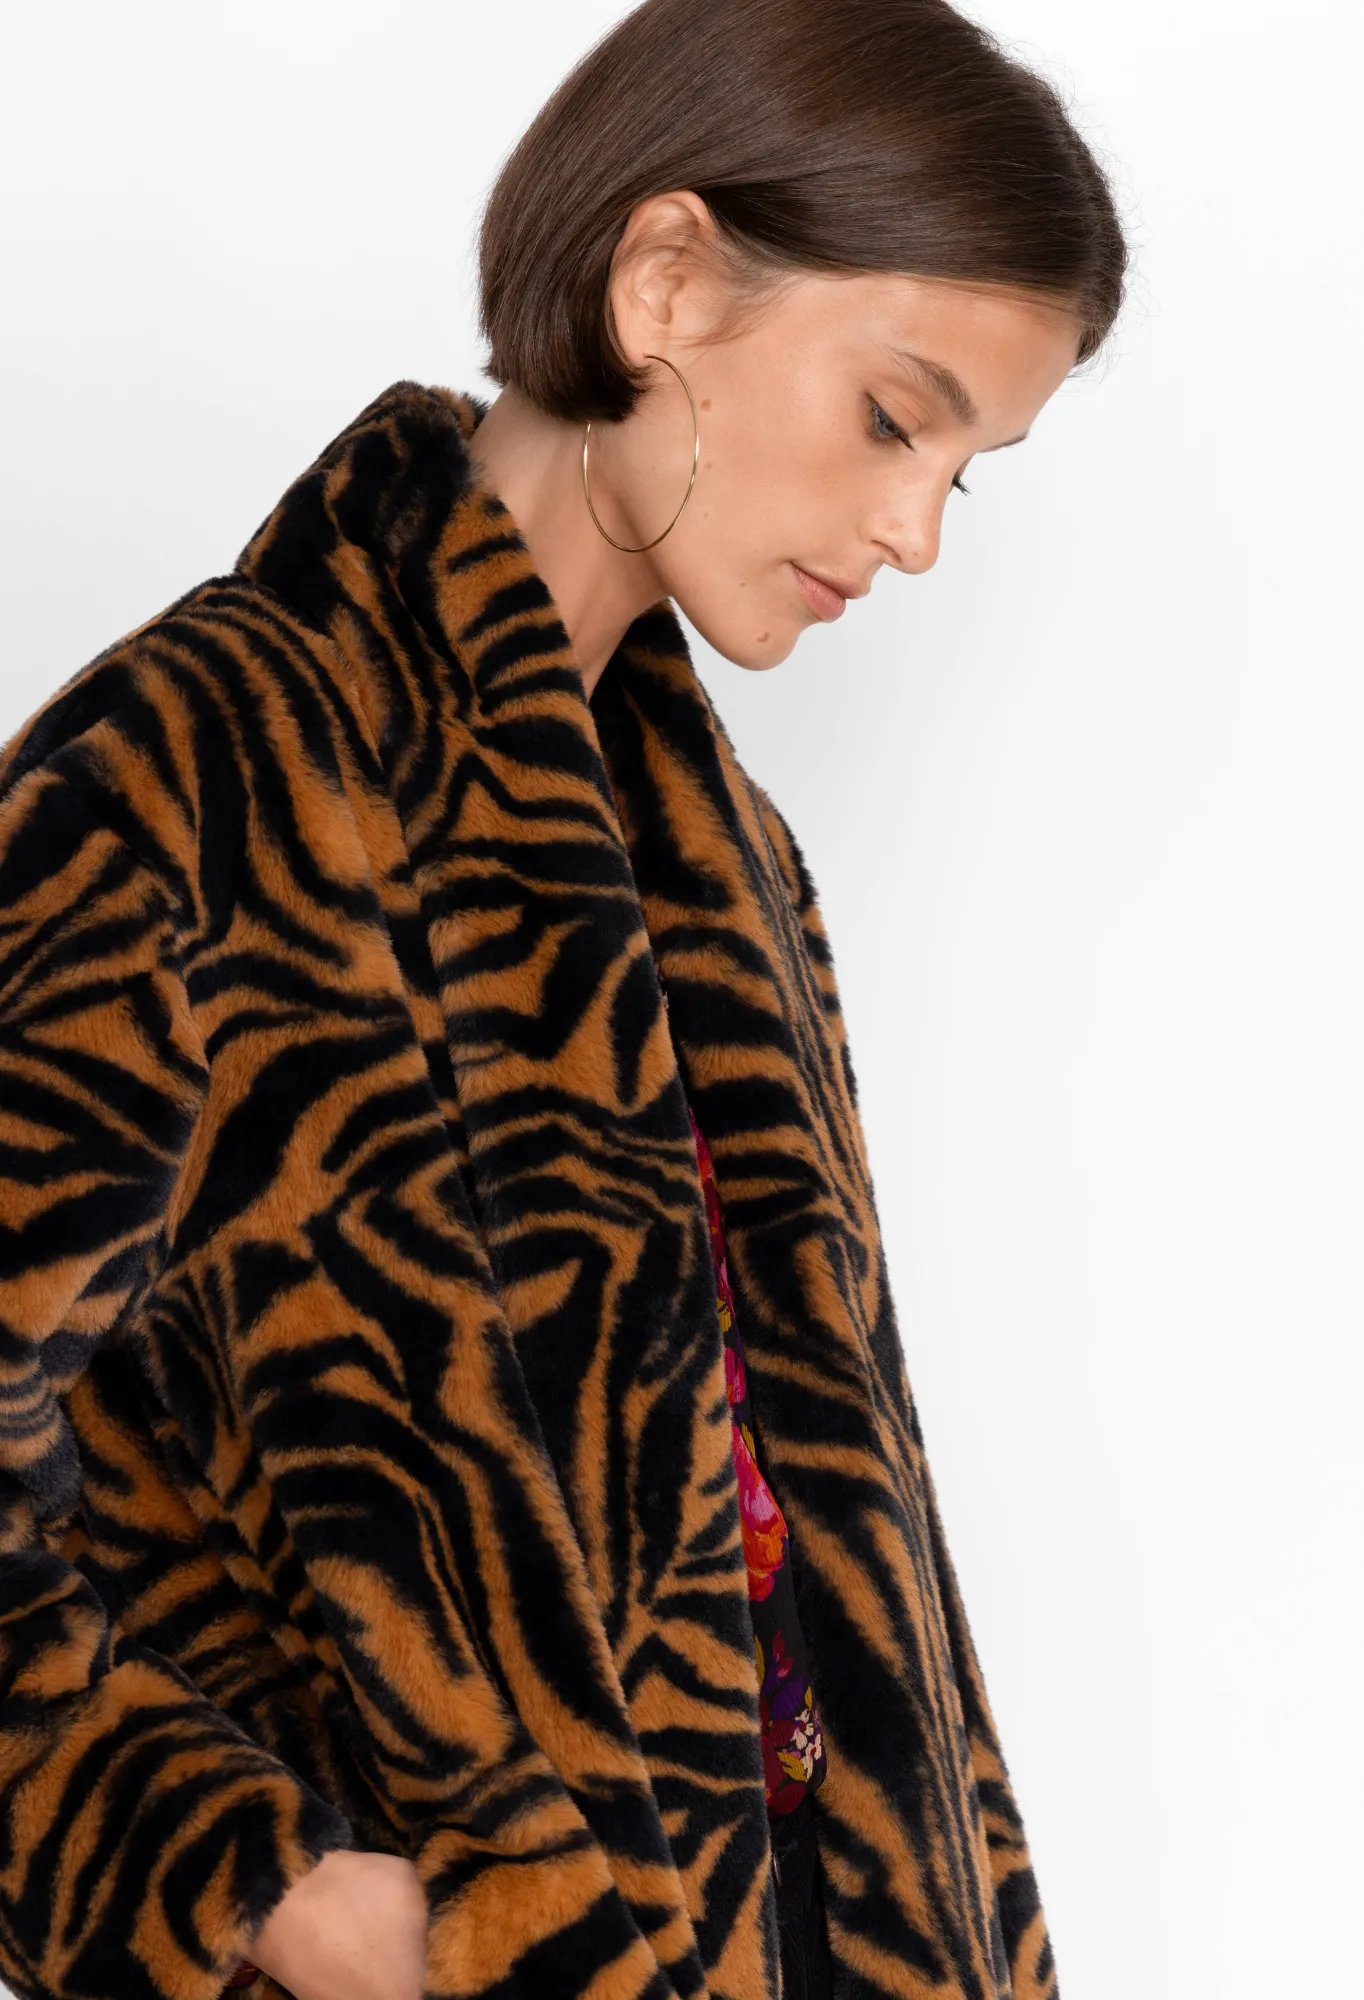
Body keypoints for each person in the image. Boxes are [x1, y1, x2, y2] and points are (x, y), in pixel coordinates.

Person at [0, 3, 1126, 1998]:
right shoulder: (187, 770)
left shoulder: (729, 862)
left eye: (972, 473)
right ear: (664, 279)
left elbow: (830, 1565)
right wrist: (258, 1886)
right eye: (896, 419)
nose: (916, 535)